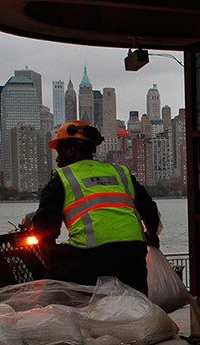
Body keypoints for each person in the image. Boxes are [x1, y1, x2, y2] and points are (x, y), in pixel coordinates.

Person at [29, 120, 160, 295]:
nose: (57, 159)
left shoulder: (62, 179)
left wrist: (52, 265)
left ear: (71, 150)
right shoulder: (120, 173)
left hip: (88, 257)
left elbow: (43, 230)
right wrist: (151, 236)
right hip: (133, 253)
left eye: (59, 151)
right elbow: (150, 210)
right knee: (137, 303)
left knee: (52, 297)